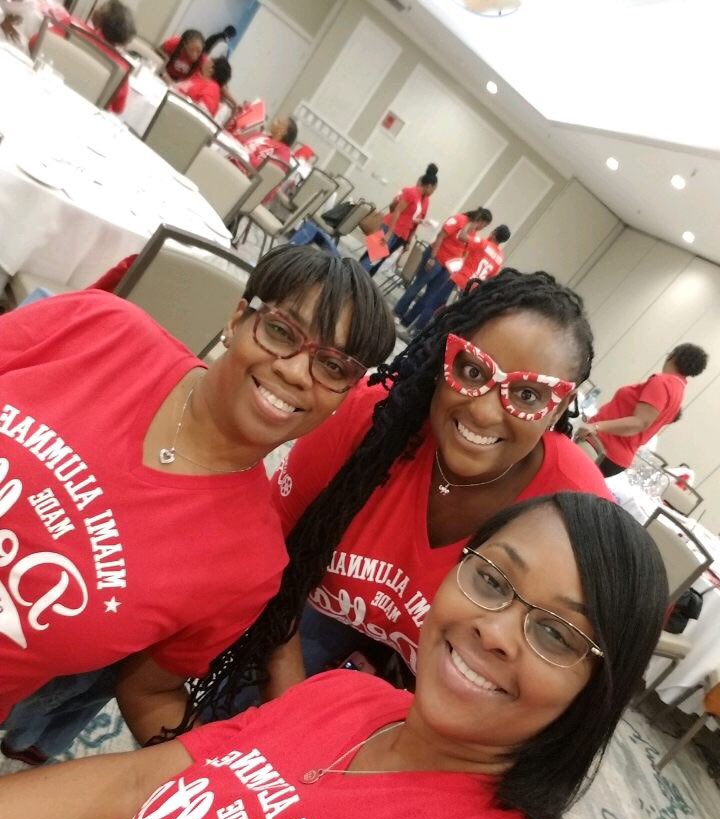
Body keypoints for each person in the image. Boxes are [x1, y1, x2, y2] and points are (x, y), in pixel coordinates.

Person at [0, 493, 668, 819]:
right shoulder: (348, 699)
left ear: (593, 694)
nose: (494, 631)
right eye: (492, 579)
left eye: (555, 633)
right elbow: (142, 783)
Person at [0, 246, 395, 765]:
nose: (298, 371)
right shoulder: (101, 329)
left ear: (345, 394)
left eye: (331, 366)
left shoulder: (248, 565)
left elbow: (149, 692)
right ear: (238, 318)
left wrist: (251, 767)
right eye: (281, 331)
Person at [181, 269, 612, 723]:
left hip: (458, 680)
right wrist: (291, 718)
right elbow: (269, 559)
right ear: (441, 358)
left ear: (561, 408)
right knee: (227, 726)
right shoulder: (373, 419)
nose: (485, 410)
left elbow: (538, 704)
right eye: (470, 370)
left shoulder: (573, 511)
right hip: (306, 613)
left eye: (527, 395)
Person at [576, 343, 708, 478]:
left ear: (673, 356)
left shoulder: (663, 383)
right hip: (613, 453)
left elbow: (639, 423)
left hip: (603, 447)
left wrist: (596, 426)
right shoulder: (678, 391)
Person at [27, 0, 136, 114]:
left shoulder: (73, 27)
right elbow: (118, 109)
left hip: (43, 94)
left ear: (100, 17)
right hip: (81, 117)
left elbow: (35, 44)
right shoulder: (122, 68)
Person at [404, 224, 512, 336]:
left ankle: (416, 331)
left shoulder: (483, 243)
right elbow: (491, 277)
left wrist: (468, 225)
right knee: (451, 314)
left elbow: (462, 236)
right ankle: (431, 336)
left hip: (459, 280)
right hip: (473, 289)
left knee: (434, 304)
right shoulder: (500, 258)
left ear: (494, 233)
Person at [394, 207, 492, 323]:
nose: (482, 228)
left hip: (448, 266)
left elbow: (466, 249)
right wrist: (432, 258)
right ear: (480, 220)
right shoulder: (459, 220)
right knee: (418, 285)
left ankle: (408, 320)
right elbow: (441, 236)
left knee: (430, 295)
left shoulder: (473, 232)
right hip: (436, 258)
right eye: (484, 225)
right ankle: (398, 312)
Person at [359, 163, 439, 276]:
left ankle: (357, 279)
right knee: (371, 257)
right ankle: (353, 277)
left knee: (375, 259)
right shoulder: (411, 192)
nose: (432, 193)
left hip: (400, 233)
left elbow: (410, 217)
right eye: (433, 190)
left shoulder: (422, 199)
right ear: (429, 186)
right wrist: (388, 234)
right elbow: (397, 211)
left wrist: (415, 229)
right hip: (390, 229)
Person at [226, 114, 298, 172]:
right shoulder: (261, 135)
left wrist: (247, 154)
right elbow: (237, 141)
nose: (274, 121)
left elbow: (268, 172)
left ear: (283, 131)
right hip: (232, 159)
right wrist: (235, 125)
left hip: (244, 173)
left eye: (278, 121)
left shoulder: (283, 151)